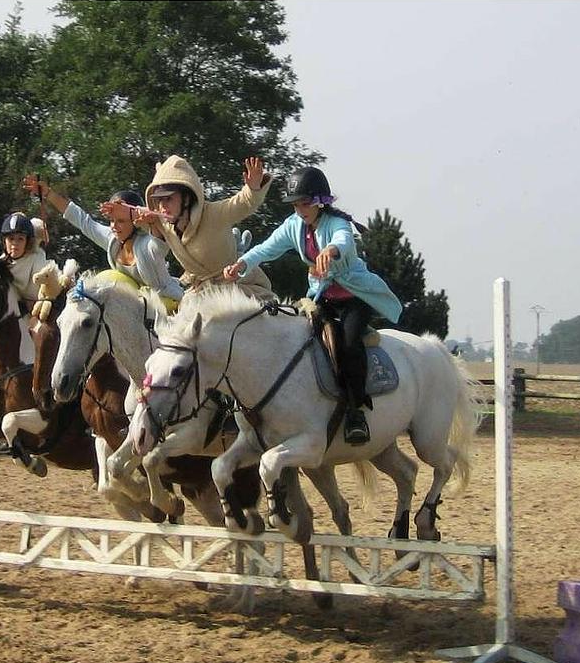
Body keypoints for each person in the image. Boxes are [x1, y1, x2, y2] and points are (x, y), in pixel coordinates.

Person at [222, 167, 403, 445]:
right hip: (322, 298)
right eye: (296, 204)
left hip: (353, 299)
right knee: (298, 339)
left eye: (304, 203)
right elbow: (267, 248)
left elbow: (342, 241)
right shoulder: (294, 225)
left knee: (349, 343)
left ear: (320, 202)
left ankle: (356, 412)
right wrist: (242, 264)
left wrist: (330, 251)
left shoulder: (337, 223)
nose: (300, 209)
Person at [22, 176, 184, 311]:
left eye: (121, 220)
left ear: (135, 220)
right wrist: (48, 194)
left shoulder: (148, 244)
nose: (114, 226)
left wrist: (148, 220)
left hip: (170, 307)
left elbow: (163, 233)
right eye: (112, 220)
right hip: (137, 310)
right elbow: (81, 219)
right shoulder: (112, 240)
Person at [139, 155, 275, 301]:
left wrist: (253, 188)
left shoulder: (214, 214)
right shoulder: (161, 222)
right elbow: (133, 213)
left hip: (239, 286)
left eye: (168, 198)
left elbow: (243, 203)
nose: (162, 206)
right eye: (158, 200)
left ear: (187, 197)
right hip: (199, 293)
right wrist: (118, 208)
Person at [0, 211, 49, 365]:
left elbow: (47, 290)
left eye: (20, 239)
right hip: (13, 316)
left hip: (38, 314)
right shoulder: (1, 262)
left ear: (28, 241)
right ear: (4, 241)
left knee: (46, 337)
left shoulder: (37, 259)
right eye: (11, 239)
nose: (15, 244)